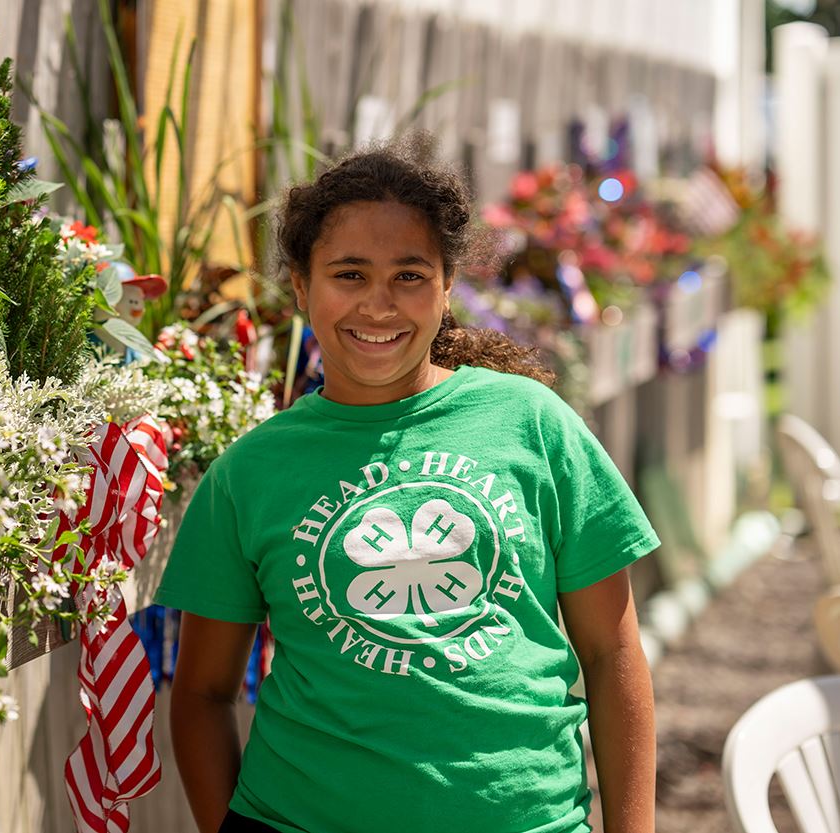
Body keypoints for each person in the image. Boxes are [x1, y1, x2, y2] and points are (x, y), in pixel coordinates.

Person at [153, 137, 659, 833]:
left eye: (410, 276)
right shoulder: (249, 472)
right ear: (301, 286)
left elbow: (612, 652)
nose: (380, 305)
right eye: (350, 275)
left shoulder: (534, 425)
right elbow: (204, 693)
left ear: (449, 285)